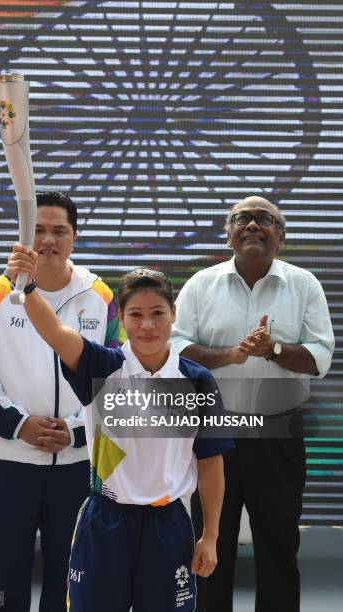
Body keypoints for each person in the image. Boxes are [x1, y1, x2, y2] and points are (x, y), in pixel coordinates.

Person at [7, 248, 234, 612]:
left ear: (173, 315)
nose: (148, 325)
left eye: (158, 313)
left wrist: (210, 535)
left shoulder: (197, 381)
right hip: (105, 522)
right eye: (136, 315)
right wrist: (27, 286)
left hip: (169, 524)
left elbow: (210, 463)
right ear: (122, 319)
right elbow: (53, 330)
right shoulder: (100, 367)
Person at [0, 191, 120, 612]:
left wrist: (78, 428)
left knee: (72, 578)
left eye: (58, 231)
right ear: (24, 237)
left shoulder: (100, 297)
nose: (48, 240)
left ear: (74, 236)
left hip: (76, 465)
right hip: (7, 460)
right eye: (39, 231)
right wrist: (18, 424)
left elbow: (117, 374)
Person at [171, 195, 335, 612]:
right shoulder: (200, 284)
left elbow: (320, 357)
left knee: (278, 546)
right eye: (242, 218)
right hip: (214, 437)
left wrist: (273, 350)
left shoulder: (304, 284)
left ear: (281, 236)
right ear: (228, 233)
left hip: (277, 435)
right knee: (209, 546)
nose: (252, 225)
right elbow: (174, 348)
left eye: (265, 219)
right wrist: (228, 356)